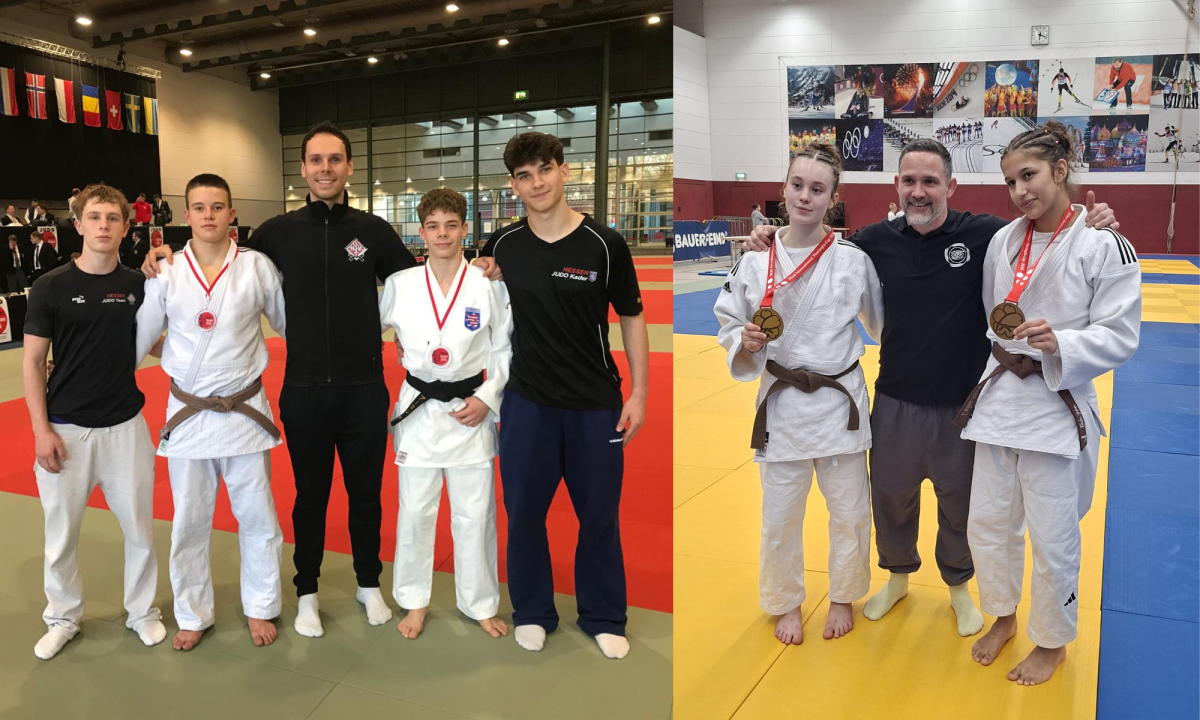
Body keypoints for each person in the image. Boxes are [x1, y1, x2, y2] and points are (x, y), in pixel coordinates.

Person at [744, 139, 1120, 638]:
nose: (918, 192)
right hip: (895, 397)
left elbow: (1046, 230)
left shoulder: (987, 234)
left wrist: (1091, 222)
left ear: (951, 186)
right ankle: (897, 577)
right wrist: (768, 236)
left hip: (962, 402)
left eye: (930, 181)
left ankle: (958, 587)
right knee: (890, 499)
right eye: (909, 181)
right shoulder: (872, 241)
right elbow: (815, 251)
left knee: (960, 503)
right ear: (896, 185)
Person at [143, 121, 417, 638]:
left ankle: (368, 583)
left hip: (363, 385)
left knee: (366, 494)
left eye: (334, 159)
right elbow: (219, 255)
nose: (325, 169)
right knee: (310, 496)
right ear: (303, 169)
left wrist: (474, 273)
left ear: (349, 166)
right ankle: (306, 591)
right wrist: (164, 255)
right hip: (304, 388)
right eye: (316, 160)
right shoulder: (276, 233)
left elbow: (415, 286)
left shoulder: (375, 231)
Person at [956, 121, 1141, 685]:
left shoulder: (1104, 243)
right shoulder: (1003, 241)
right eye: (1010, 181)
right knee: (988, 525)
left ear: (1061, 170)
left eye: (1028, 175)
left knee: (1053, 534)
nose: (1019, 191)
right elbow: (993, 314)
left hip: (1055, 404)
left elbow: (1121, 334)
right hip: (999, 400)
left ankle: (1052, 641)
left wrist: (1062, 343)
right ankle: (1004, 616)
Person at [475, 132, 649, 659]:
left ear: (564, 171)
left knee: (599, 517)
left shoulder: (604, 243)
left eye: (544, 170)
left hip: (595, 404)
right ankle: (531, 610)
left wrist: (639, 393)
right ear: (514, 185)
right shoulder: (502, 246)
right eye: (524, 176)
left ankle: (602, 615)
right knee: (524, 514)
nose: (536, 183)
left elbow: (632, 317)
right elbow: (472, 310)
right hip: (527, 403)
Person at [714, 143, 883, 646]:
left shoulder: (854, 261)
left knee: (851, 513)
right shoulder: (754, 260)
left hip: (838, 402)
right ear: (783, 189)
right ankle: (785, 600)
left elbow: (883, 324)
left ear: (834, 198)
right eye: (797, 185)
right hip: (783, 402)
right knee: (780, 517)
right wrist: (743, 340)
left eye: (817, 189)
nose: (805, 197)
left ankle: (842, 595)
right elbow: (728, 320)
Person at [134, 173, 286, 652]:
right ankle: (192, 613)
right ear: (186, 215)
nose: (208, 215)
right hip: (190, 413)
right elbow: (141, 335)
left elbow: (290, 325)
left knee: (258, 516)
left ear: (231, 213)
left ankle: (261, 605)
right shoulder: (167, 271)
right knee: (189, 522)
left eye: (217, 207)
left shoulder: (257, 266)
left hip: (245, 412)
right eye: (199, 207)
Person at [21, 183, 166, 660]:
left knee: (140, 530)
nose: (104, 226)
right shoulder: (51, 286)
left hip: (126, 428)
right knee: (61, 536)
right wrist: (41, 431)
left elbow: (157, 342)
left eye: (113, 218)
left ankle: (142, 612)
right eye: (95, 217)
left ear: (126, 228)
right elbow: (33, 361)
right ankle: (62, 618)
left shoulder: (139, 286)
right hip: (66, 431)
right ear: (78, 225)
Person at [379, 188, 512, 641]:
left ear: (464, 229)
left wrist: (488, 398)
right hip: (419, 409)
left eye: (451, 225)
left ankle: (480, 603)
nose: (442, 234)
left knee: (475, 515)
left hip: (470, 408)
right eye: (433, 226)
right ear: (421, 232)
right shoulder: (399, 284)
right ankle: (414, 601)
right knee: (415, 511)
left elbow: (504, 347)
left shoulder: (487, 283)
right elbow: (365, 328)